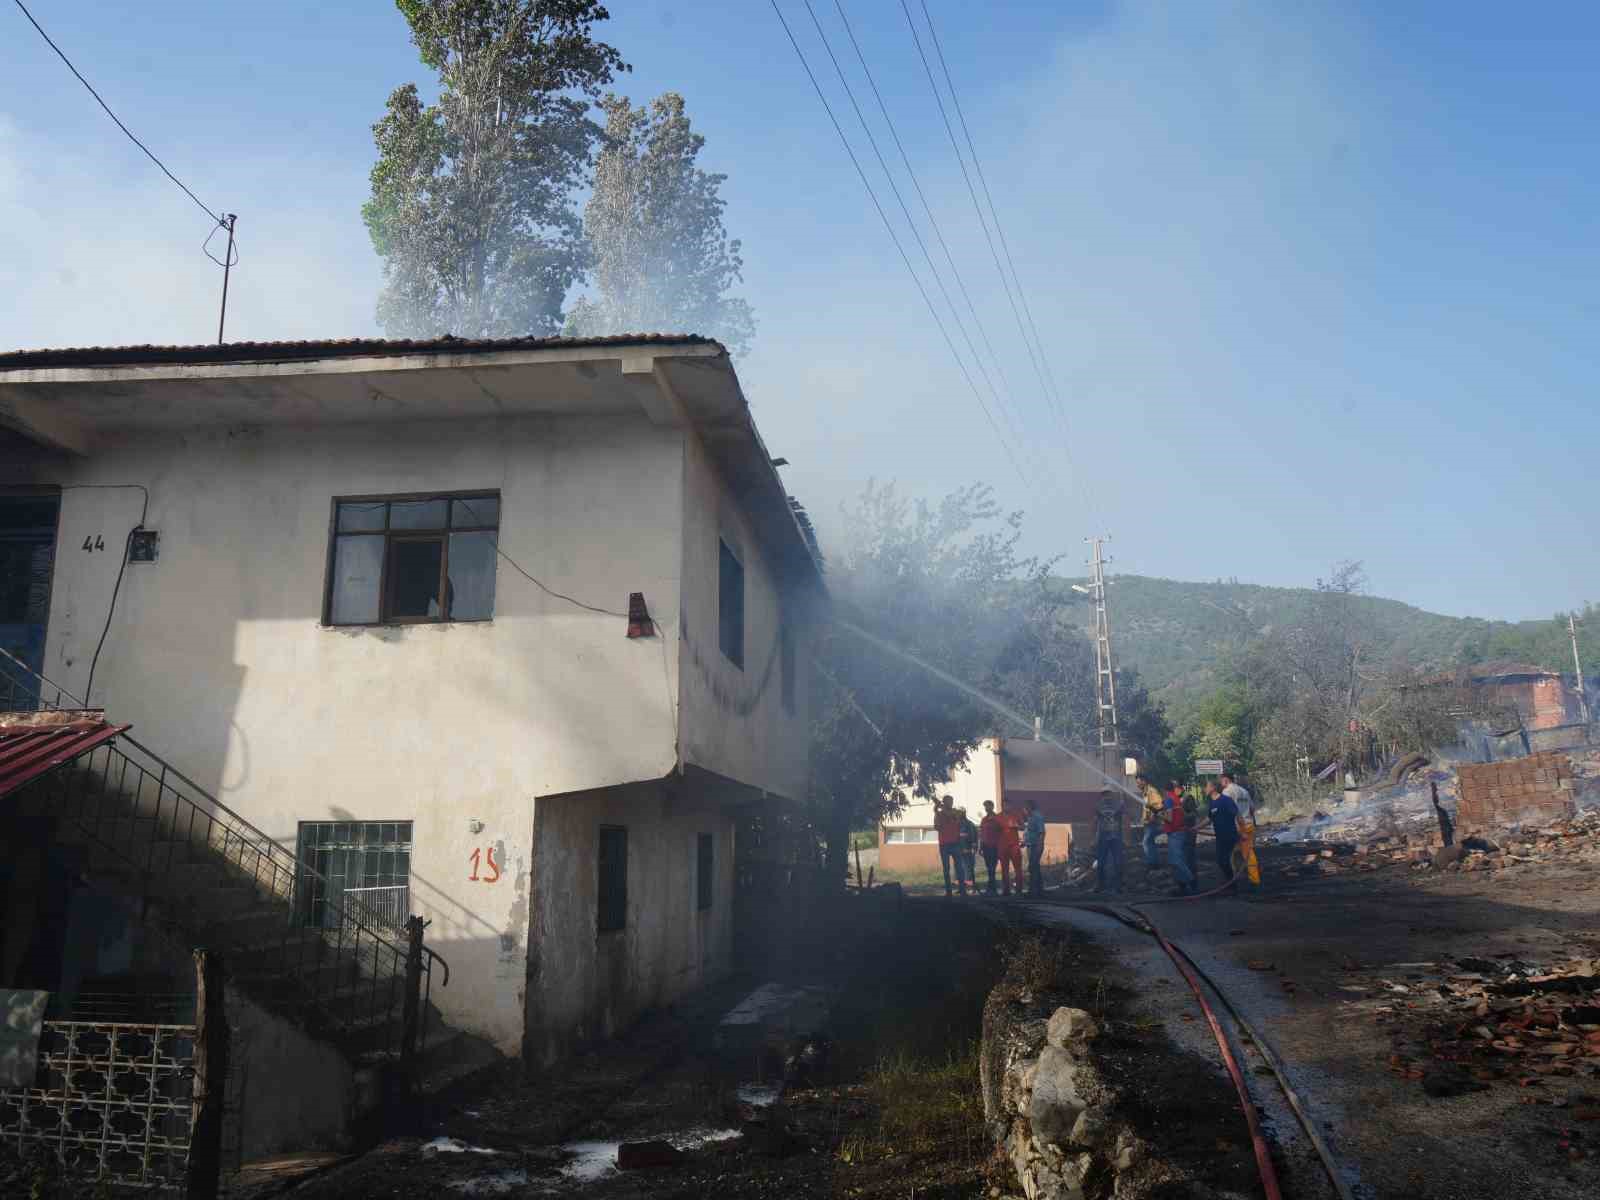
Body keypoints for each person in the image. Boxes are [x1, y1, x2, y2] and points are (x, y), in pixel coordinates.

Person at [1221, 772, 1258, 886]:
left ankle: (1237, 880)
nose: (1221, 783)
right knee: (1246, 853)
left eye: (1221, 781)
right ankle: (1250, 878)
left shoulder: (1227, 791)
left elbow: (1225, 810)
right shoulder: (1244, 791)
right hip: (1249, 825)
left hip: (1237, 827)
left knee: (1232, 854)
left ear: (1226, 780)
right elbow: (1252, 809)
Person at [1164, 781, 1198, 895]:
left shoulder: (1171, 799)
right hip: (1181, 832)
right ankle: (1182, 887)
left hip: (1177, 832)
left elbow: (1169, 818)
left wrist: (1159, 814)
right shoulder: (1177, 799)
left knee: (1177, 860)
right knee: (1177, 860)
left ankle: (1191, 882)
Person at [1207, 779, 1240, 894]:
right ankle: (1230, 882)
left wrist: (1243, 831)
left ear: (1213, 788)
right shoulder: (1212, 803)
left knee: (1225, 860)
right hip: (1220, 837)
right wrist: (1195, 828)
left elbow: (1237, 814)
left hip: (1230, 835)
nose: (1205, 789)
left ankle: (1233, 884)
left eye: (1207, 786)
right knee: (1221, 860)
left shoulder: (1225, 800)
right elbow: (1209, 819)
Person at [935, 795, 968, 897]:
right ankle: (949, 891)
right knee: (946, 869)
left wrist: (944, 811)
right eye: (948, 801)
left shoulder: (955, 812)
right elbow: (936, 827)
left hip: (955, 843)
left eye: (951, 801)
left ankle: (962, 890)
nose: (951, 803)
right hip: (944, 843)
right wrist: (938, 811)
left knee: (960, 868)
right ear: (944, 802)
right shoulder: (939, 814)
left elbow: (958, 818)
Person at [1093, 789, 1125, 894]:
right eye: (1104, 794)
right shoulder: (1098, 806)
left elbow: (1124, 820)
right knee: (1101, 862)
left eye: (1108, 793)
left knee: (1118, 862)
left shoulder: (1119, 805)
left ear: (1111, 794)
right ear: (1102, 795)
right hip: (1103, 837)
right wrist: (1094, 838)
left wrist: (1125, 838)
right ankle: (1100, 886)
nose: (1106, 796)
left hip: (1115, 837)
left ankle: (1118, 887)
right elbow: (1096, 822)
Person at [1138, 775, 1165, 869]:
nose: (1137, 785)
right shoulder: (1145, 792)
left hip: (1152, 823)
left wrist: (1152, 818)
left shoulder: (1152, 792)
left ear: (1144, 781)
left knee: (1146, 842)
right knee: (1150, 842)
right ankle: (1154, 862)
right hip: (1148, 823)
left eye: (1138, 782)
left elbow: (1159, 806)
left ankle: (1152, 863)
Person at [997, 804, 1024, 896]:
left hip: (1014, 846)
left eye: (1008, 805)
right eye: (1004, 806)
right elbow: (993, 830)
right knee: (1004, 869)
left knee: (1018, 868)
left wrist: (1015, 825)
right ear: (1002, 807)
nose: (1006, 807)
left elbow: (1023, 827)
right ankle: (1006, 890)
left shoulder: (1015, 815)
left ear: (1010, 806)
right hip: (1002, 846)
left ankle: (1019, 889)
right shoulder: (998, 817)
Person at [978, 800, 1004, 895]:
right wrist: (980, 847)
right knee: (989, 868)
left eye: (988, 806)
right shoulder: (984, 819)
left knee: (992, 868)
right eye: (985, 807)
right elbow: (981, 834)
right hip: (985, 846)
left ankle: (992, 889)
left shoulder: (998, 819)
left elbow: (1001, 832)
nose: (986, 808)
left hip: (994, 846)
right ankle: (991, 889)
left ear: (992, 807)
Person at [1023, 799, 1046, 897]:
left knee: (1032, 867)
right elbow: (1029, 831)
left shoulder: (1038, 816)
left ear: (1029, 807)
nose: (1024, 810)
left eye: (1025, 807)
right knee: (1035, 867)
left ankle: (1033, 890)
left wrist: (1040, 845)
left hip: (1036, 846)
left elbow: (1042, 832)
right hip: (1030, 845)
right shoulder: (1029, 817)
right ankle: (1039, 888)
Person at [958, 807, 979, 890]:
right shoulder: (957, 823)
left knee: (968, 869)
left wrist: (973, 848)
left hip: (967, 850)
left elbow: (974, 837)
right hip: (958, 851)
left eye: (960, 812)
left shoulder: (969, 824)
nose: (958, 814)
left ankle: (971, 888)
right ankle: (961, 888)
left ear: (964, 813)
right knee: (959, 869)